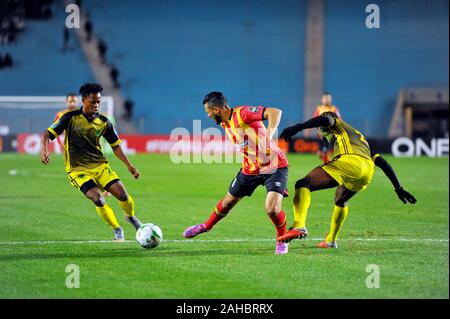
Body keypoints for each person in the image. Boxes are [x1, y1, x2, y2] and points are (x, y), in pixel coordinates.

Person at [277, 112, 417, 249]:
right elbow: (383, 163)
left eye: (318, 129)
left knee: (303, 184)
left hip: (349, 162)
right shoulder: (358, 138)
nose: (318, 132)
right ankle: (331, 240)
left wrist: (297, 127)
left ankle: (299, 226)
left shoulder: (335, 123)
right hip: (366, 171)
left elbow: (326, 119)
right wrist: (398, 188)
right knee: (340, 199)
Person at [183, 92, 291, 254]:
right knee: (227, 203)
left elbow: (275, 112)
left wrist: (267, 139)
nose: (208, 115)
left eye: (209, 111)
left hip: (274, 167)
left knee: (272, 209)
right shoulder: (225, 123)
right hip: (250, 170)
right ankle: (206, 226)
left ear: (217, 109)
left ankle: (282, 240)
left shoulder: (242, 113)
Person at [40, 83, 142, 241]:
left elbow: (116, 146)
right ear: (84, 100)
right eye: (93, 101)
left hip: (100, 166)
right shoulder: (69, 118)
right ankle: (117, 229)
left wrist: (129, 166)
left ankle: (131, 217)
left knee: (123, 195)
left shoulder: (104, 122)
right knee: (98, 198)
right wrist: (44, 149)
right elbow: (47, 134)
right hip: (77, 170)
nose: (96, 105)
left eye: (98, 102)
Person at [313, 92, 342, 163]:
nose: (327, 100)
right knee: (319, 154)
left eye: (328, 98)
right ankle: (328, 163)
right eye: (325, 98)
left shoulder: (334, 109)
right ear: (322, 99)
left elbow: (339, 120)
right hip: (321, 134)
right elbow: (314, 120)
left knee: (326, 152)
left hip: (330, 134)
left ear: (330, 99)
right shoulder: (319, 108)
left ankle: (329, 165)